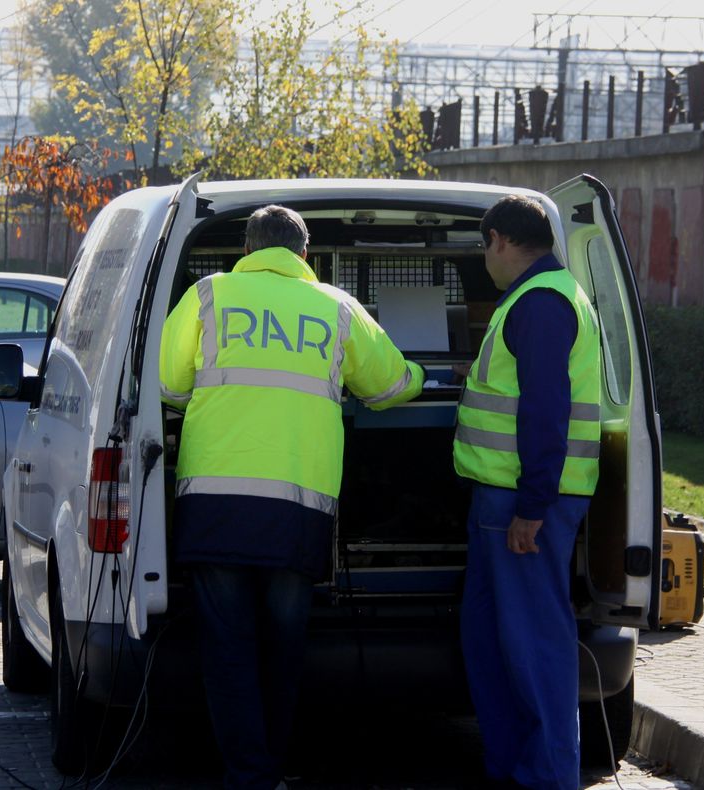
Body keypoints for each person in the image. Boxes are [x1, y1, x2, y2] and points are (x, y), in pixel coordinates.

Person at [159, 204, 425, 790]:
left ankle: (248, 774)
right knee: (283, 648)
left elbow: (168, 386)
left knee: (227, 648)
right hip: (298, 508)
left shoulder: (208, 295)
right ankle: (271, 769)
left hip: (216, 500)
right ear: (304, 254)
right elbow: (389, 386)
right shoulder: (335, 305)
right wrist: (428, 377)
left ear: (247, 249)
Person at [452, 194, 602, 789]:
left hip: (525, 503)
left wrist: (532, 507)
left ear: (498, 240)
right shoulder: (544, 296)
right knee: (491, 638)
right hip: (509, 500)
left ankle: (548, 776)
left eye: (483, 248)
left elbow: (546, 408)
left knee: (534, 641)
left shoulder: (540, 302)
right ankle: (516, 766)